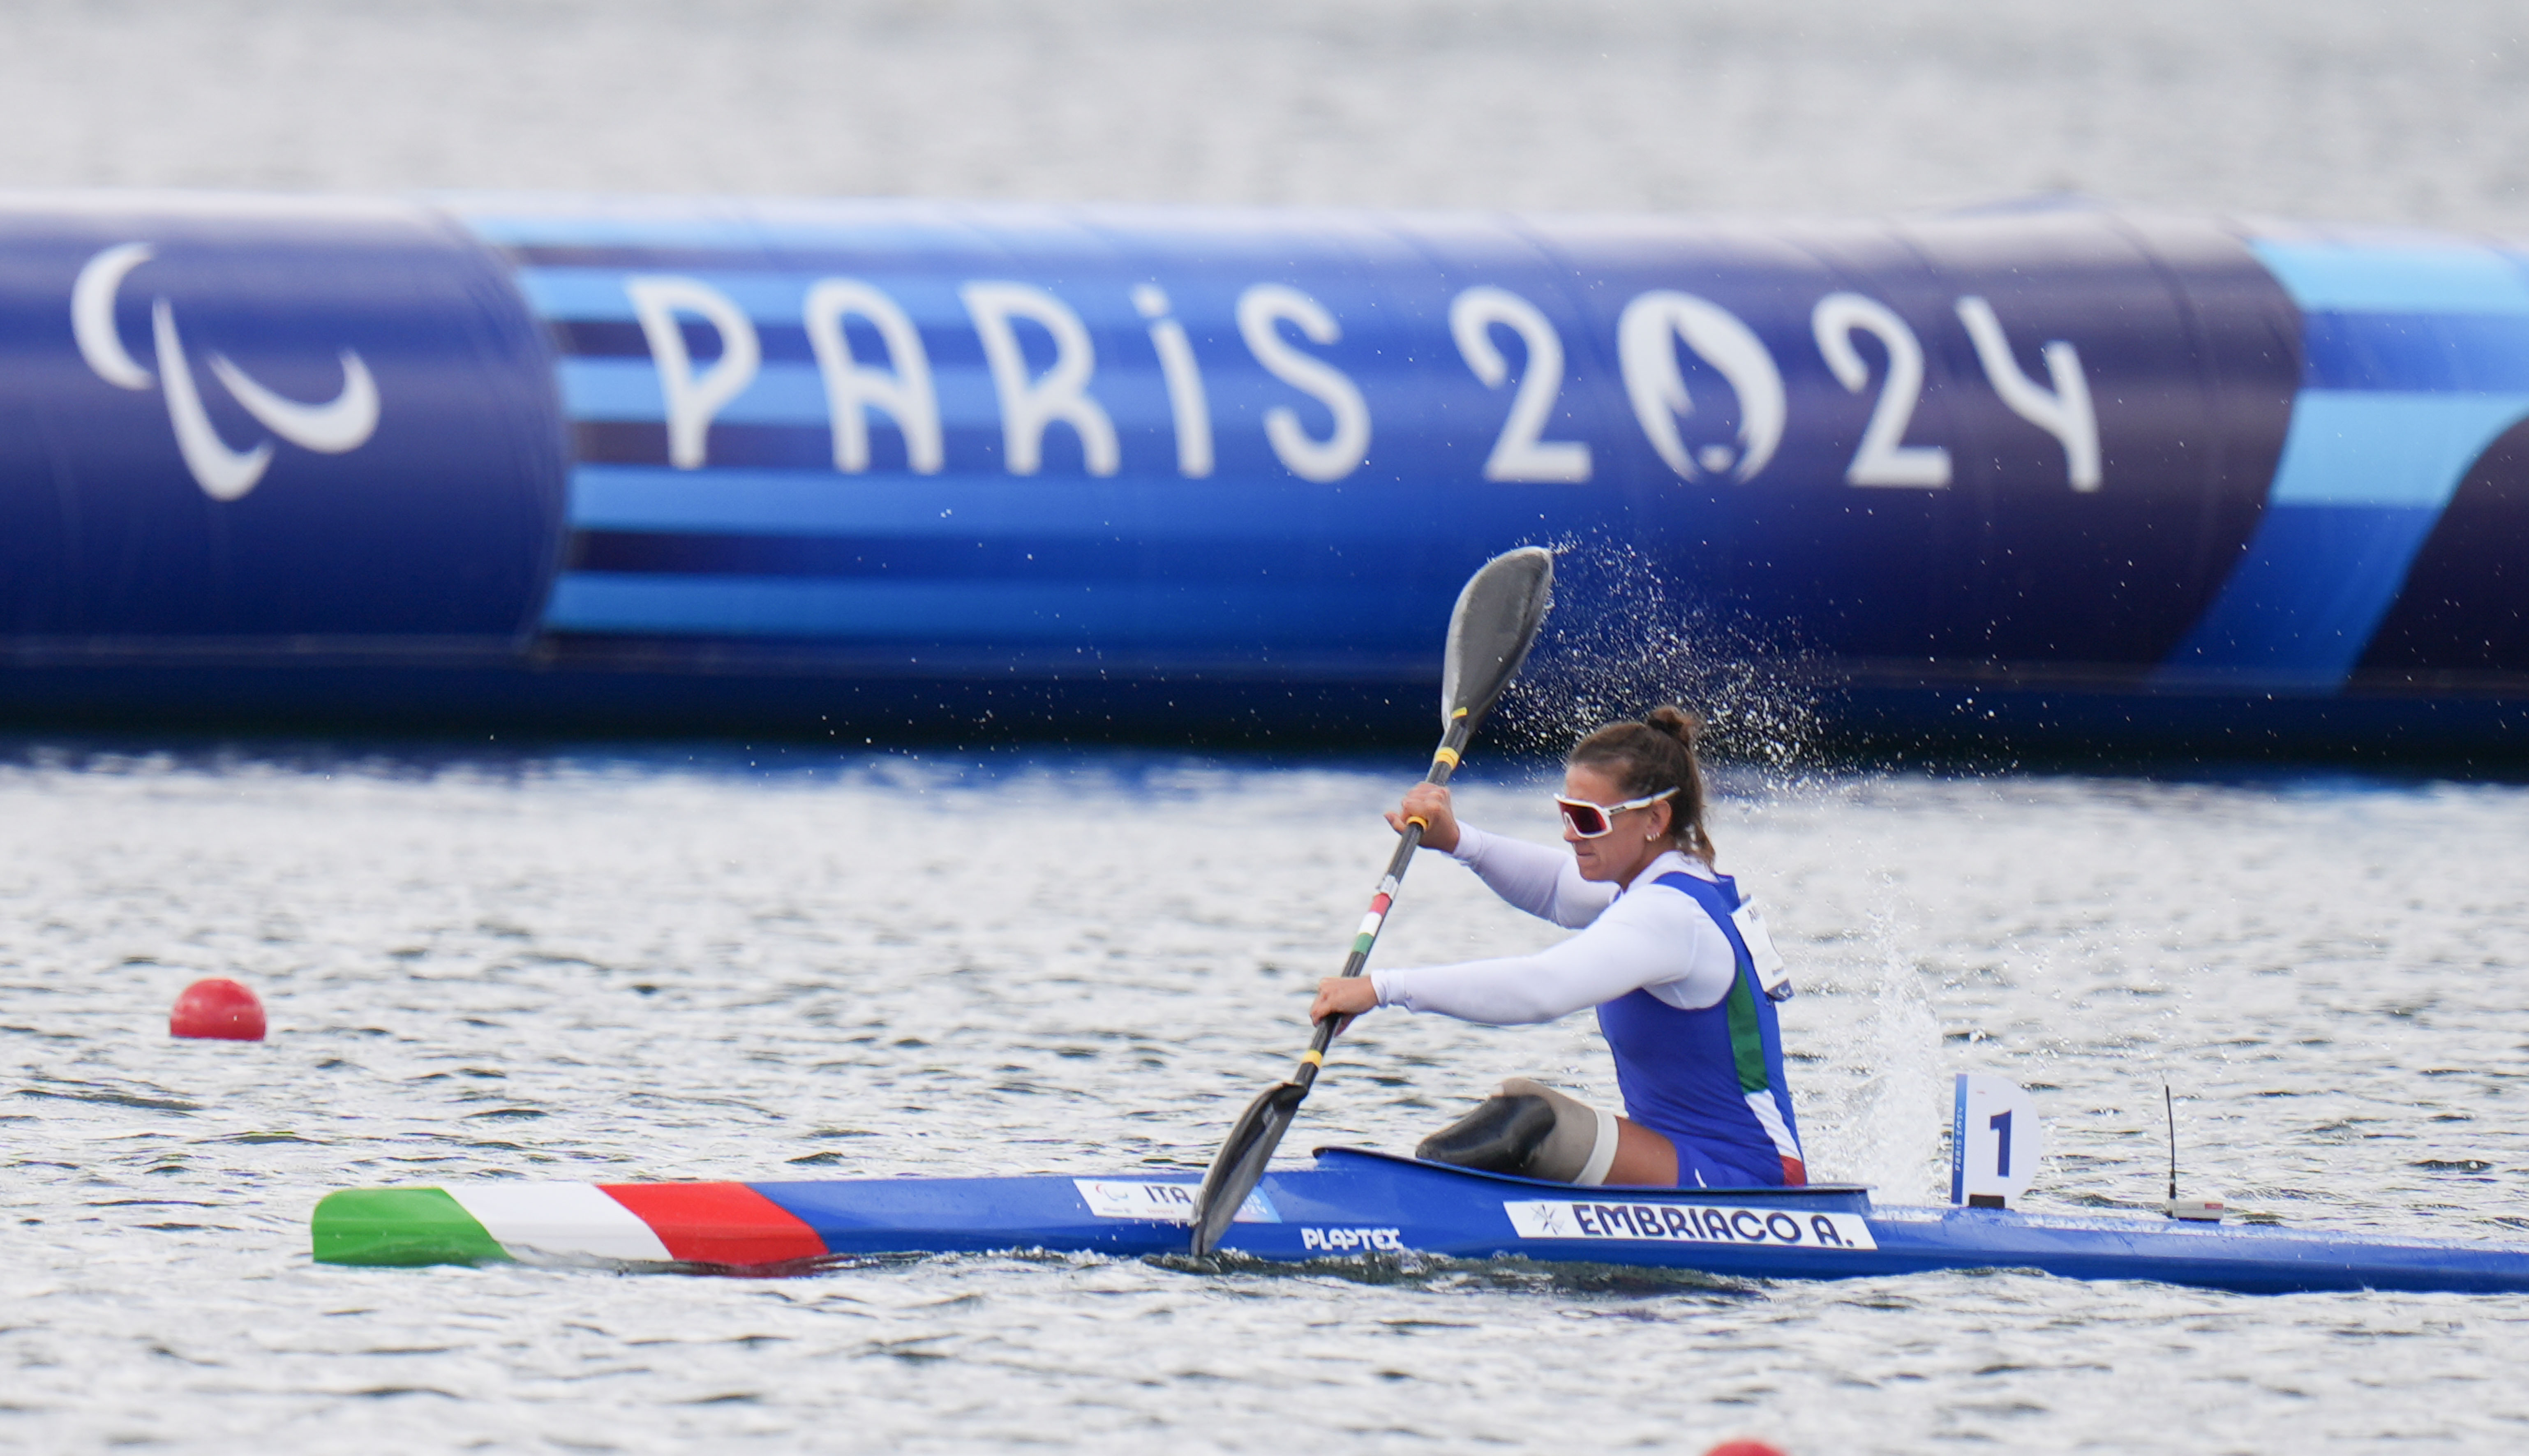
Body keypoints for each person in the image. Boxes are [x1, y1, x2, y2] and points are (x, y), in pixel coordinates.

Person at [1308, 706, 1806, 1189]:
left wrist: (1383, 988)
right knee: (1514, 1123)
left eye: (1588, 820)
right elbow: (1553, 886)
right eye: (1566, 814)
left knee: (1528, 1120)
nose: (1570, 835)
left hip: (1747, 1179)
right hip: (1677, 1155)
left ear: (1656, 818)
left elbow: (1542, 990)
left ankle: (1419, 1209)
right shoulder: (1654, 884)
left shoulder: (1671, 916)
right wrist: (1459, 841)